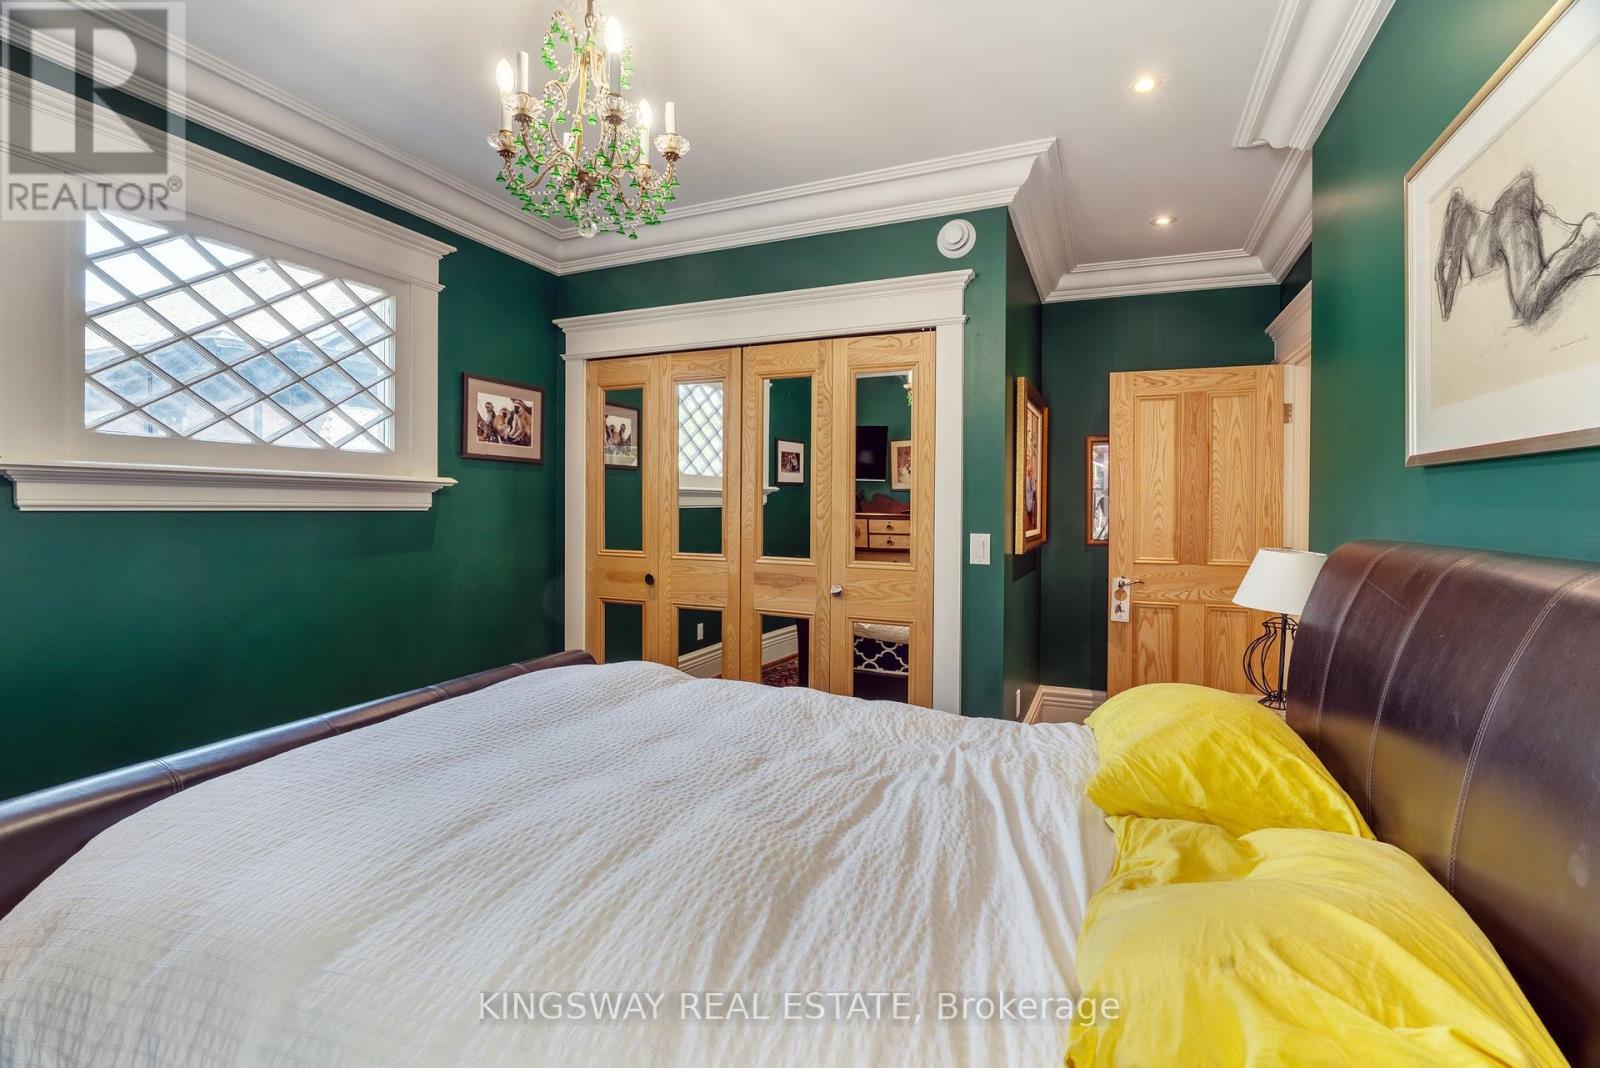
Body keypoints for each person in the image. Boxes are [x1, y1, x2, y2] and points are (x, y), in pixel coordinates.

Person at [1436, 172, 1600, 324]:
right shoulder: (1455, 249)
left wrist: (1445, 312)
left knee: (1528, 304)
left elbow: (1448, 281)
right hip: (1511, 209)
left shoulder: (1454, 250)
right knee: (1528, 299)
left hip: (1508, 220)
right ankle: (1583, 241)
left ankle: (1584, 241)